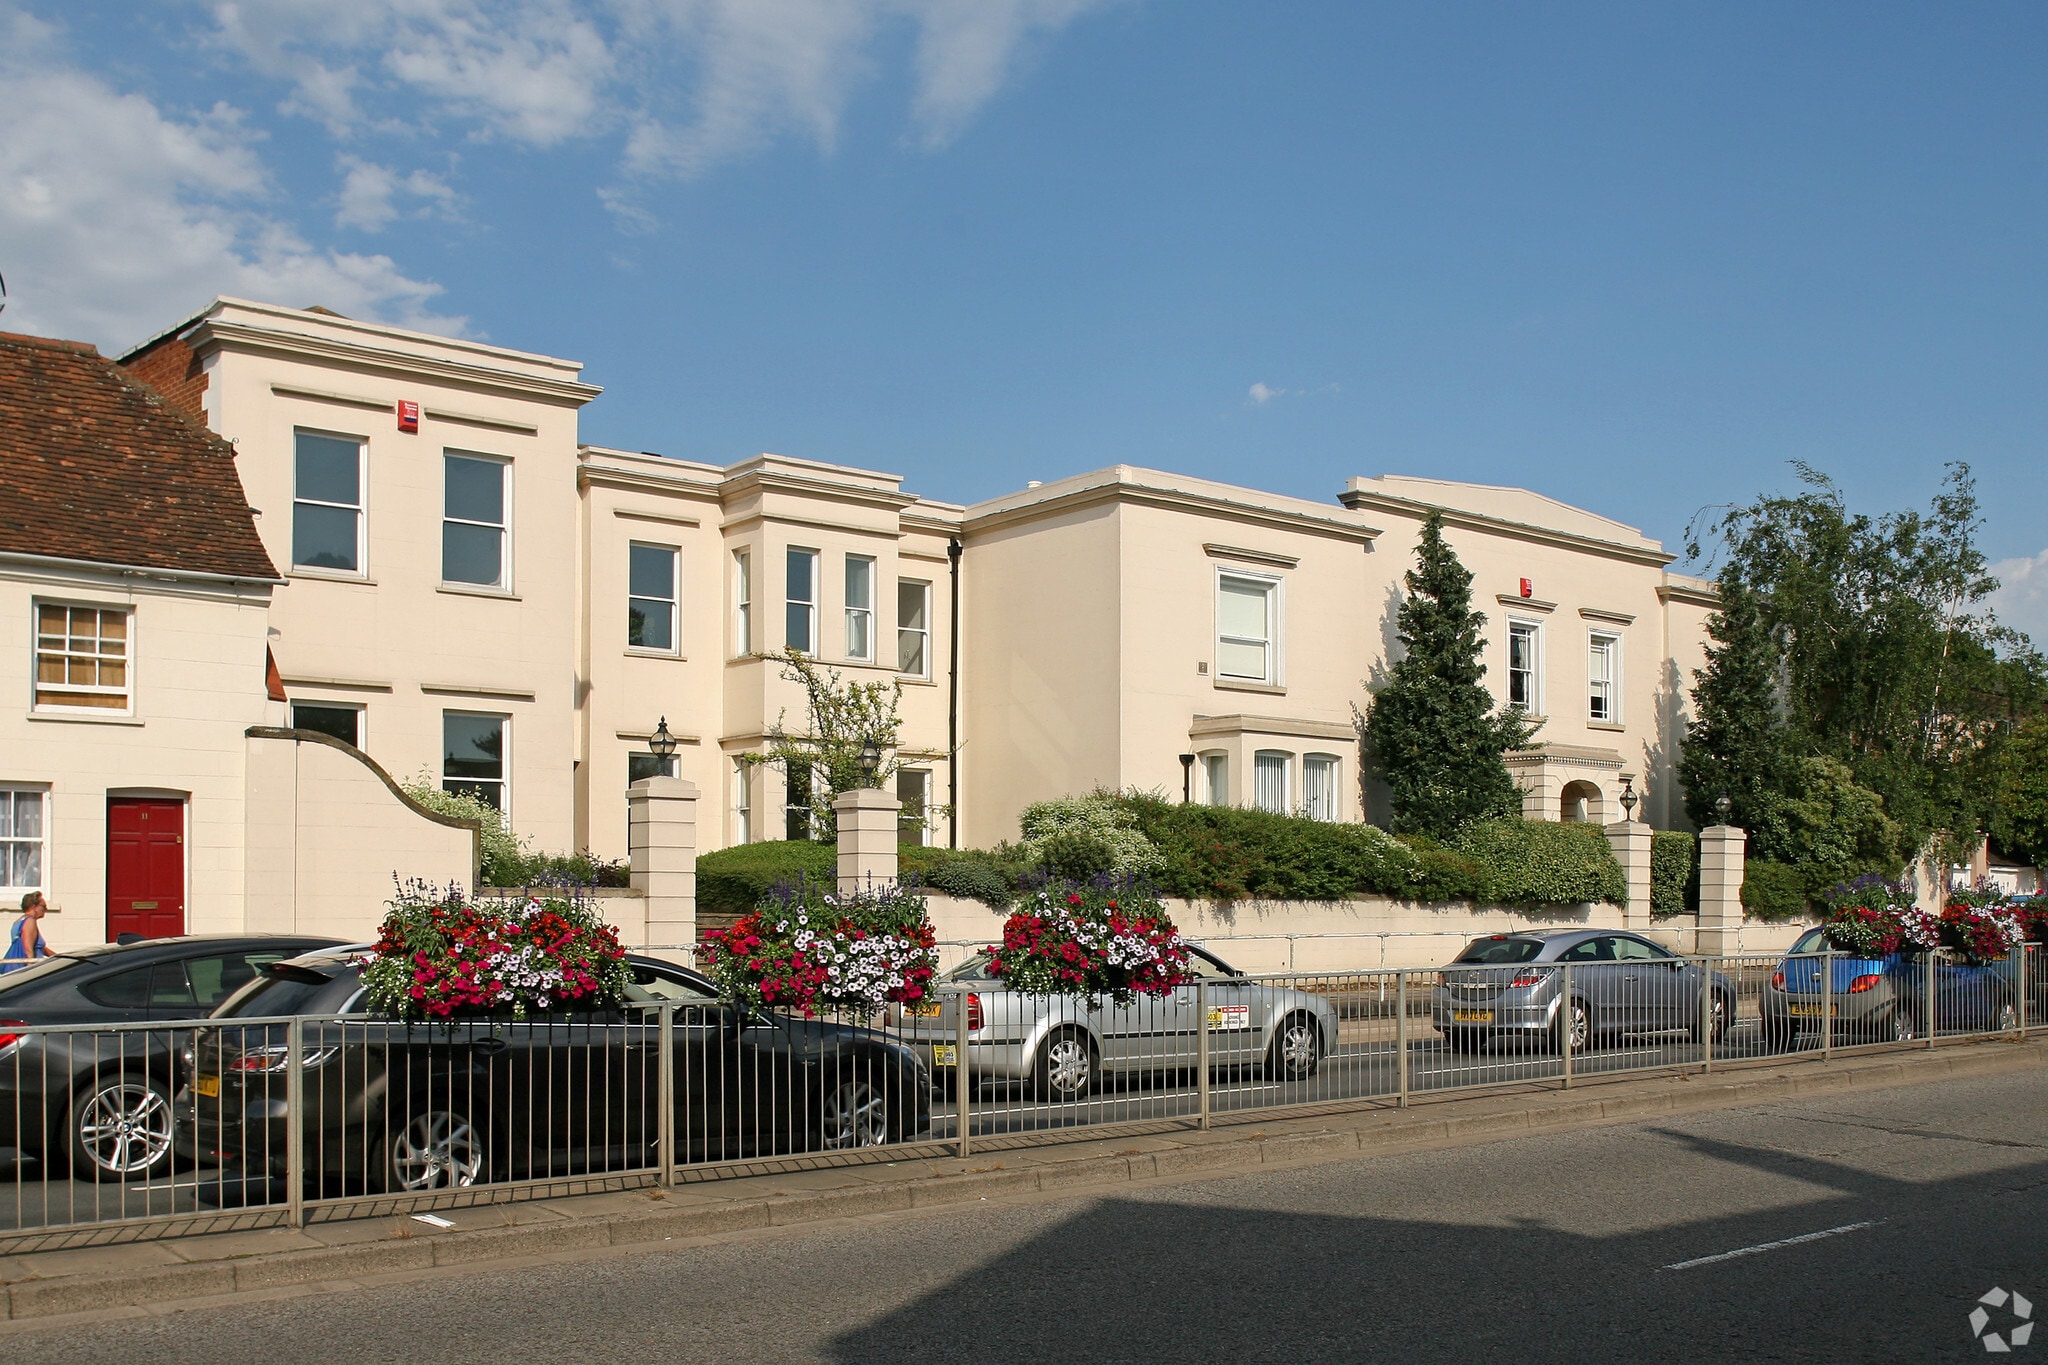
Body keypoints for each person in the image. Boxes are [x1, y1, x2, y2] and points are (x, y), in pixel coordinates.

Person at [4, 891, 53, 972]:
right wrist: (30, 972)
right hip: (26, 969)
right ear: (34, 907)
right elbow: (28, 950)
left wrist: (59, 957)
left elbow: (41, 948)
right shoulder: (30, 921)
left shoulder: (18, 922)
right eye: (43, 906)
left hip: (15, 968)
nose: (46, 909)